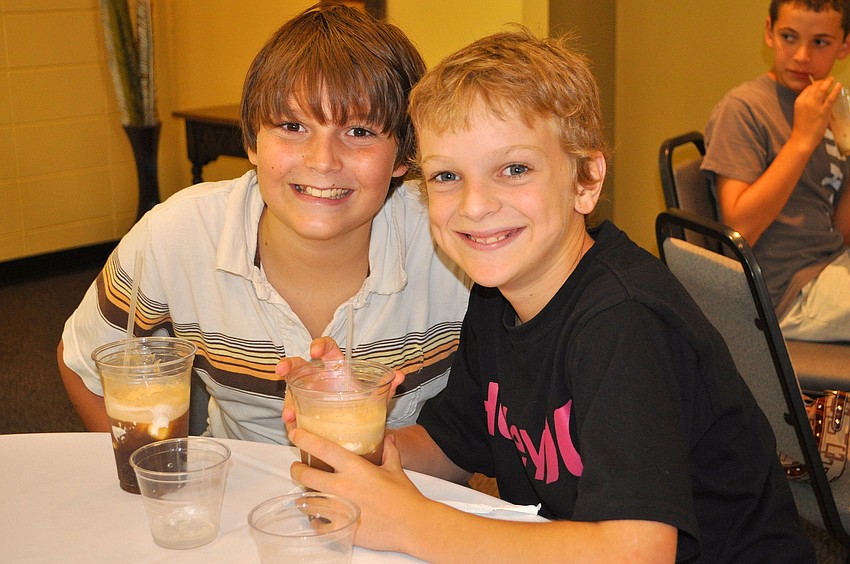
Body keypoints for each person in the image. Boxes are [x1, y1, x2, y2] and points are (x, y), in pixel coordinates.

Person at [284, 29, 816, 562]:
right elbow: (449, 447)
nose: (475, 205)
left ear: (586, 179)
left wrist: (411, 524)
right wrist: (355, 425)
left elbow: (639, 551)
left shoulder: (623, 322)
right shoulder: (497, 299)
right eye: (447, 175)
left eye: (514, 169)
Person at [57, 3, 469, 444]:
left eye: (360, 132)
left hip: (411, 496)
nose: (322, 161)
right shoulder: (179, 235)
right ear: (252, 140)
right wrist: (153, 479)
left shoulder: (452, 242)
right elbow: (83, 362)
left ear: (403, 155)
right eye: (292, 126)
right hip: (237, 496)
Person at [701, 0, 850, 342]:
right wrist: (801, 140)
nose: (801, 56)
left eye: (820, 42)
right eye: (789, 37)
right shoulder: (743, 109)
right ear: (769, 32)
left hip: (830, 266)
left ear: (844, 46)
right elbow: (739, 228)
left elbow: (841, 231)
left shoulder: (828, 107)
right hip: (782, 293)